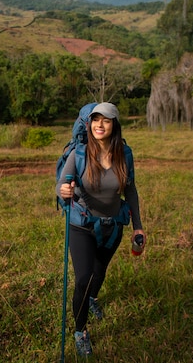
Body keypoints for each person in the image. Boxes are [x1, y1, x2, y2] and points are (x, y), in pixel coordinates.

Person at [56, 102, 145, 357]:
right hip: (81, 224)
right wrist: (64, 191)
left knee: (99, 271)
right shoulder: (80, 153)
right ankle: (80, 330)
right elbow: (62, 185)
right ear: (89, 124)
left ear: (114, 125)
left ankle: (93, 299)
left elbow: (130, 190)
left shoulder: (125, 154)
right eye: (95, 120)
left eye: (105, 120)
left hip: (113, 224)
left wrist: (138, 227)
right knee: (83, 278)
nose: (99, 125)